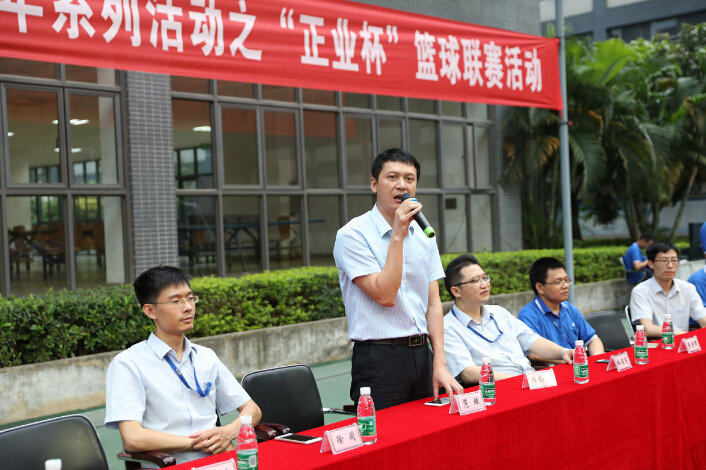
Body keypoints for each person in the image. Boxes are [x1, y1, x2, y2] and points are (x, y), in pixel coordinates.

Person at [333, 148, 462, 410]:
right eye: (392, 177)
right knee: (385, 433)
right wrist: (398, 235)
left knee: (430, 430)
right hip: (379, 358)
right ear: (374, 184)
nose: (402, 185)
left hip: (422, 354)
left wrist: (439, 361)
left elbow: (433, 303)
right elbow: (385, 295)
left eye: (409, 179)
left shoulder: (424, 233)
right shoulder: (352, 235)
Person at [105, 266, 261, 468]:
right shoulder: (128, 364)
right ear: (150, 310)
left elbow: (252, 409)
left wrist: (228, 432)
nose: (188, 307)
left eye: (190, 298)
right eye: (176, 301)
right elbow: (133, 438)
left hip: (221, 462)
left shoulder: (206, 356)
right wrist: (200, 443)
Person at [442, 254, 574, 385]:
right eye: (475, 280)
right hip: (499, 388)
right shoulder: (447, 328)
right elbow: (468, 373)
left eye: (485, 278)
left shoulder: (498, 312)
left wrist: (564, 352)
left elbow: (534, 341)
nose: (485, 284)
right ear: (456, 291)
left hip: (531, 381)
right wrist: (521, 381)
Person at [518, 257, 605, 364]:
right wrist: (571, 363)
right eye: (558, 282)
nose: (565, 286)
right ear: (540, 287)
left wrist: (596, 361)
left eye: (566, 280)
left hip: (578, 366)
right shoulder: (528, 315)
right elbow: (533, 354)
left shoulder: (568, 308)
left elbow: (592, 339)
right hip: (553, 370)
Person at [630, 241, 706, 336]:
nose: (670, 266)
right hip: (657, 343)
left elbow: (703, 321)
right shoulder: (641, 291)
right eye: (664, 261)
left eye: (674, 260)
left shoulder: (688, 289)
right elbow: (648, 329)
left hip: (685, 342)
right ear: (651, 264)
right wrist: (686, 335)